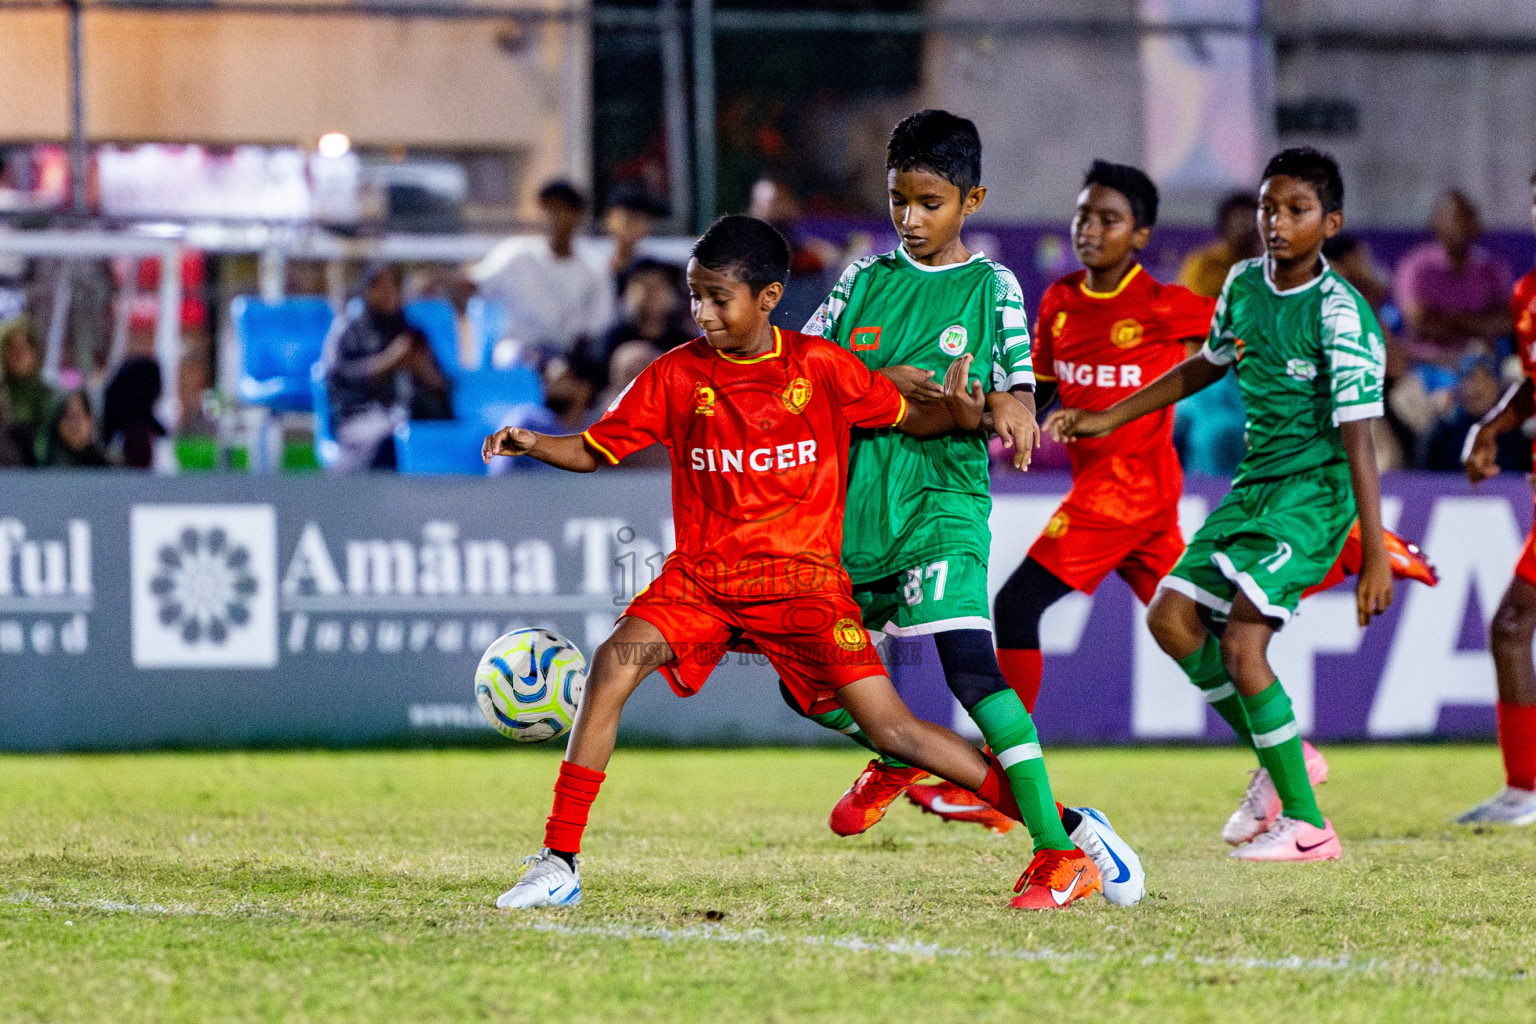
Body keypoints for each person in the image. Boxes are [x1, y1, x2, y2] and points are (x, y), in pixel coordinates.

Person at [483, 215, 1104, 911]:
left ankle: (1063, 833)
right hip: (703, 581)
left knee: (894, 732)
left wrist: (969, 415)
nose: (703, 313)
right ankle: (559, 861)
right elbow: (596, 449)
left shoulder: (819, 366)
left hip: (804, 588)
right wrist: (535, 442)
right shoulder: (675, 375)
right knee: (612, 665)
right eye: (696, 296)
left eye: (720, 298)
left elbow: (908, 415)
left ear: (770, 297)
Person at [917, 161, 1435, 838]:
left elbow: (1255, 356)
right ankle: (1290, 758)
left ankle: (997, 779)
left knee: (1017, 608)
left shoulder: (1170, 304)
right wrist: (994, 418)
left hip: (1130, 493)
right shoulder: (1061, 301)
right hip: (1141, 501)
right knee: (1184, 630)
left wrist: (1384, 338)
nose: (1090, 230)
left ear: (1141, 235)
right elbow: (1041, 391)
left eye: (1108, 219)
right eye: (1082, 216)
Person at [796, 111, 1142, 907]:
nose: (911, 220)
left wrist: (1013, 406)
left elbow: (1019, 375)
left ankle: (1059, 855)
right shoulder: (861, 282)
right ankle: (907, 753)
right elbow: (807, 369)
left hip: (945, 505)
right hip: (858, 513)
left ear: (971, 199)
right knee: (805, 682)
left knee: (972, 672)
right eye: (898, 201)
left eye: (930, 202)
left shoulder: (991, 286)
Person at [1052, 147, 1394, 862]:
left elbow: (1360, 439)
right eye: (1270, 207)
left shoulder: (1339, 313)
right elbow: (1207, 362)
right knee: (1171, 619)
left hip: (1313, 496)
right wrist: (1112, 415)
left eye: (1296, 210)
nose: (1276, 221)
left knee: (1242, 646)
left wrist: (1374, 551)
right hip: (1255, 487)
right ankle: (1285, 761)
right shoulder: (1241, 283)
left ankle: (1307, 827)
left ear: (1328, 222)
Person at [1457, 168, 1536, 826]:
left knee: (1511, 626)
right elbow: (1531, 385)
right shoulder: (1528, 294)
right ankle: (1522, 790)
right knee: (1511, 628)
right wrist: (1491, 426)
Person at [322, 264, 452, 473]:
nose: (387, 293)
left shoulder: (412, 335)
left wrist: (421, 368)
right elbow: (339, 378)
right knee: (387, 441)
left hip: (413, 416)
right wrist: (387, 362)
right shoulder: (348, 332)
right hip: (361, 419)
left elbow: (442, 389)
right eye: (379, 286)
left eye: (392, 286)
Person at [469, 180, 613, 357]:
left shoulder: (595, 265)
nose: (553, 216)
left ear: (578, 214)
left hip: (572, 355)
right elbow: (473, 285)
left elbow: (600, 322)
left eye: (562, 209)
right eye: (548, 208)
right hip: (520, 351)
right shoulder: (515, 253)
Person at [1393, 189, 1513, 380]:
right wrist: (1480, 324)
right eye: (1453, 219)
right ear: (1436, 223)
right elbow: (1421, 323)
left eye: (1466, 219)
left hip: (1484, 364)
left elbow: (1508, 322)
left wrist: (1451, 320)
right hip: (1429, 365)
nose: (1461, 227)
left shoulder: (1492, 268)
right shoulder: (1415, 267)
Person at [1424, 354, 1529, 473]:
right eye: (1468, 380)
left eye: (1483, 380)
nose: (1475, 389)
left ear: (1498, 386)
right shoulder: (1445, 434)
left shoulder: (1516, 436)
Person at [1177, 191, 1263, 299]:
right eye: (1240, 221)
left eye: (1253, 221)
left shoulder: (1266, 267)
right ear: (1225, 225)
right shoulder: (1203, 266)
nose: (1248, 228)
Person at [0, 315, 54, 465]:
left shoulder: (50, 396)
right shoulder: (2, 395)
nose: (18, 355)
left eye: (23, 348)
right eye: (11, 348)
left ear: (35, 351)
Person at [36, 390, 110, 468]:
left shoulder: (108, 471)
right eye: (68, 416)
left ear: (92, 421)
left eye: (79, 415)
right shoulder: (42, 469)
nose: (74, 423)